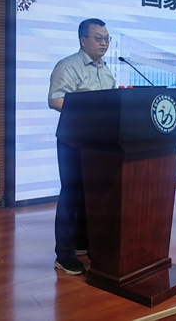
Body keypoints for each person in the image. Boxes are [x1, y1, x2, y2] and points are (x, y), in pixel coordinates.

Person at [48, 18, 116, 275]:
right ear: (83, 40)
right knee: (72, 194)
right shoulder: (68, 66)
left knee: (92, 193)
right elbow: (55, 100)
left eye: (107, 39)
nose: (104, 43)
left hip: (100, 142)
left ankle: (82, 243)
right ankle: (64, 255)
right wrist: (90, 110)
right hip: (73, 139)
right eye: (99, 38)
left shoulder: (106, 70)